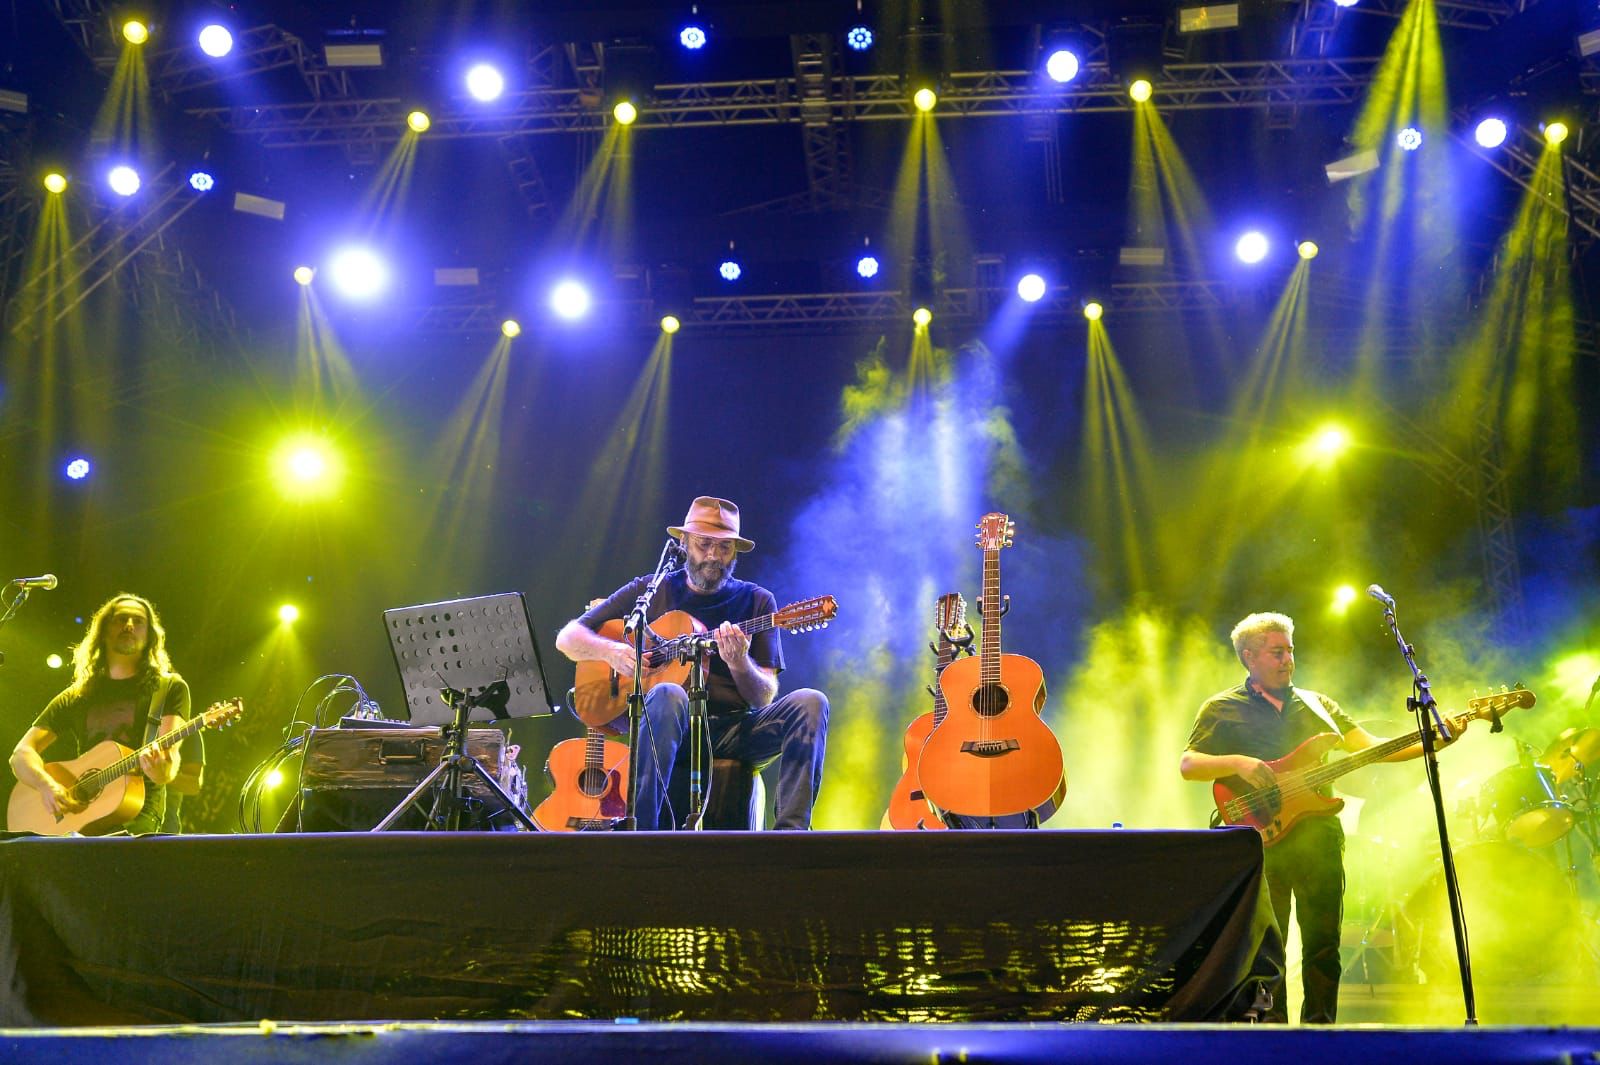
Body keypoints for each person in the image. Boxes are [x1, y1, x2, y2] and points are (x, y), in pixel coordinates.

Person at [1180, 611, 1462, 1024]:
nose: (1287, 659)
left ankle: (1319, 1031)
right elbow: (1189, 764)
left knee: (1323, 944)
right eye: (1277, 652)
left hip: (1320, 838)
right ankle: (1269, 1035)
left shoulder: (1319, 705)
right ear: (1249, 657)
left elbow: (1374, 747)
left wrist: (1433, 740)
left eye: (1290, 650)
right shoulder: (1222, 707)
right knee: (1264, 947)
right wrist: (1238, 762)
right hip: (1259, 841)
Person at [555, 496, 829, 830]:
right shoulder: (650, 590)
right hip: (668, 728)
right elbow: (568, 637)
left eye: (725, 548)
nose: (714, 556)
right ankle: (643, 833)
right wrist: (611, 653)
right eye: (704, 545)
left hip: (734, 729)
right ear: (683, 543)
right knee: (670, 692)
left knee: (812, 702)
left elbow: (763, 696)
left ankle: (791, 833)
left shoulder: (758, 601)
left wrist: (740, 663)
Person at [10, 593, 191, 836]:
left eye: (138, 621)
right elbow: (20, 754)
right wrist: (47, 786)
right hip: (84, 817)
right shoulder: (76, 696)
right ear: (103, 630)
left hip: (137, 817)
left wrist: (159, 768)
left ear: (149, 636)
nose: (129, 625)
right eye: (121, 619)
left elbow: (166, 769)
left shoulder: (168, 689)